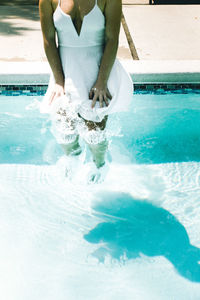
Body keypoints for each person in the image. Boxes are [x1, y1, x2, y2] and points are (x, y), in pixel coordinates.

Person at [39, 0, 133, 182]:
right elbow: (48, 40)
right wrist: (59, 81)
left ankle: (100, 165)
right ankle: (72, 163)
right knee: (65, 129)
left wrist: (102, 81)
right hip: (65, 71)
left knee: (94, 132)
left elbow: (112, 39)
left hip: (98, 70)